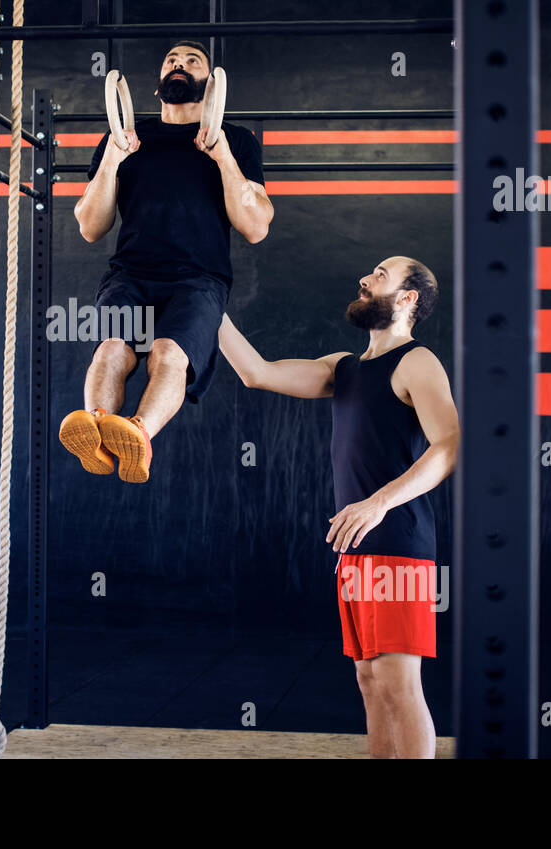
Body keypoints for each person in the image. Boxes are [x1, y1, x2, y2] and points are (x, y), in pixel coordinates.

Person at [217, 256, 459, 759]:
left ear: (408, 298)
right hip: (356, 548)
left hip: (399, 545)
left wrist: (378, 503)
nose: (365, 280)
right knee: (369, 679)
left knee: (398, 683)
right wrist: (204, 302)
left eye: (380, 275)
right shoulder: (342, 368)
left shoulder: (417, 362)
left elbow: (449, 447)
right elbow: (256, 373)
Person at [59, 40, 272, 483]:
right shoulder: (126, 138)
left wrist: (222, 155)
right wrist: (114, 158)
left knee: (169, 353)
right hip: (131, 273)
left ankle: (137, 435)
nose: (180, 65)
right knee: (111, 347)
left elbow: (256, 226)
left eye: (193, 61)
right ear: (158, 86)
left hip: (199, 280)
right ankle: (97, 433)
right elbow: (89, 226)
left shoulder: (237, 139)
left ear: (211, 84)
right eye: (171, 60)